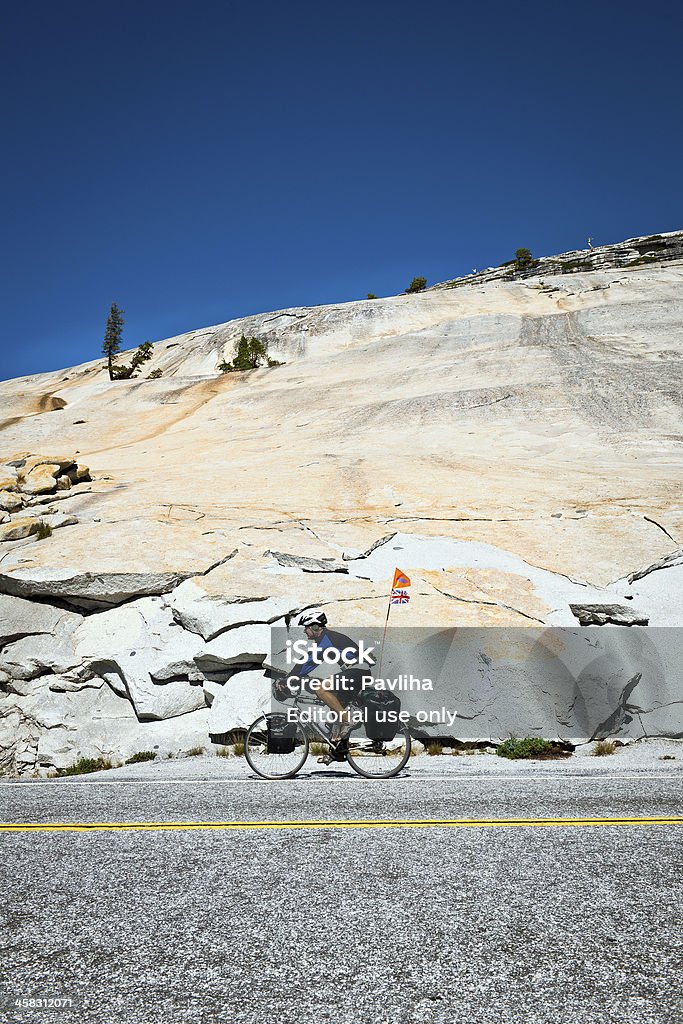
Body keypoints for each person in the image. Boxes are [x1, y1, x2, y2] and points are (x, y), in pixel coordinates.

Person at [288, 610, 370, 745]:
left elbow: (309, 660)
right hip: (357, 673)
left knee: (321, 690)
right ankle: (337, 751)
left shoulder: (327, 640)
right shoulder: (326, 639)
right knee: (336, 712)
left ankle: (347, 719)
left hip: (357, 672)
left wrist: (291, 676)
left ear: (315, 627)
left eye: (306, 627)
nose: (304, 631)